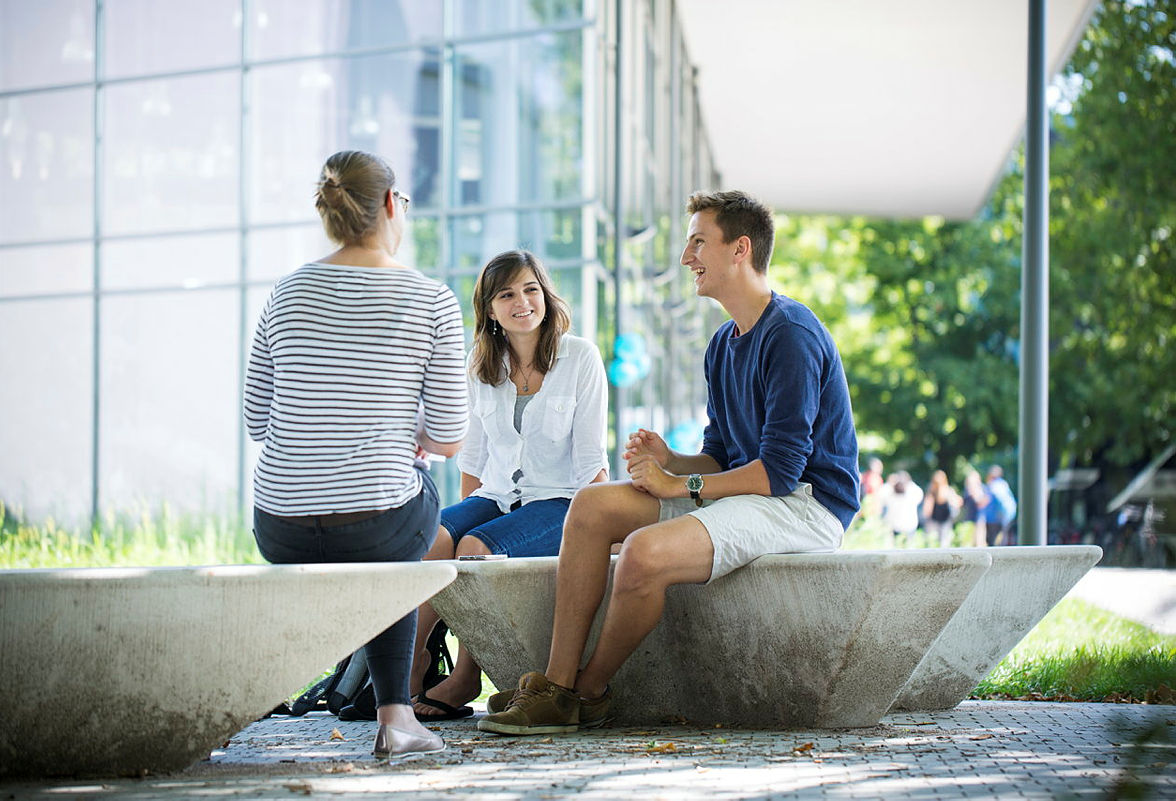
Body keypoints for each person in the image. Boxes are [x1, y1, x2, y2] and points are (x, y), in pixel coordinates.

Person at [477, 189, 860, 735]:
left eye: (698, 242)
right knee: (589, 508)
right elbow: (723, 454)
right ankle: (557, 688)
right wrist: (671, 460)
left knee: (643, 553)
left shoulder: (791, 334)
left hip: (805, 506)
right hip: (758, 495)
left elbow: (779, 472)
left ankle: (589, 690)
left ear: (740, 250)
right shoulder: (724, 344)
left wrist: (678, 486)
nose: (686, 258)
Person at [244, 150, 467, 763]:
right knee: (415, 501)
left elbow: (257, 422)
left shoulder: (285, 293)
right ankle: (396, 716)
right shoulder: (431, 300)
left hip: (280, 523)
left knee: (390, 508)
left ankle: (387, 711)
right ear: (392, 205)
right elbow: (449, 439)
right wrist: (405, 433)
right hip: (376, 525)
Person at [409, 250, 609, 721]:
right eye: (507, 294)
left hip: (561, 499)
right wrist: (456, 526)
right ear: (491, 310)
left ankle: (463, 679)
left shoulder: (579, 356)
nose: (522, 302)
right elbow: (474, 460)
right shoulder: (481, 365)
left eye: (530, 289)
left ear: (545, 295)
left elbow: (589, 461)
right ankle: (409, 670)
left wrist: (603, 529)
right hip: (495, 496)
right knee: (429, 538)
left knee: (476, 548)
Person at [921, 469, 962, 547]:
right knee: (933, 542)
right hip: (934, 520)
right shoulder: (931, 492)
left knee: (944, 543)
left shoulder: (948, 491)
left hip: (945, 520)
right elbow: (927, 509)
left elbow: (958, 502)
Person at [881, 471, 923, 544]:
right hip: (904, 525)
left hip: (900, 526)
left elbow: (882, 495)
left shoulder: (890, 494)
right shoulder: (913, 493)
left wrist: (890, 483)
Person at [985, 465, 1018, 546]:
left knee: (994, 541)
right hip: (1008, 516)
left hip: (996, 518)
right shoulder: (1003, 484)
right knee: (1003, 538)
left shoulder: (994, 485)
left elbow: (987, 500)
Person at [961, 469, 990, 547]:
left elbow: (983, 502)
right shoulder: (967, 490)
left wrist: (975, 493)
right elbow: (964, 503)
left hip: (979, 519)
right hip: (968, 519)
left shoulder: (982, 488)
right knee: (968, 542)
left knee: (979, 542)